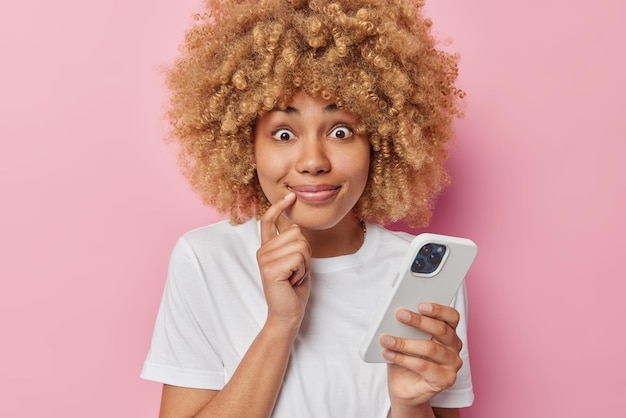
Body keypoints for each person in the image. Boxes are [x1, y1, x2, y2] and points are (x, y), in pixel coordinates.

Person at [141, 0, 473, 416]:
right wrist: (280, 326)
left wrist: (408, 404)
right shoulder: (207, 260)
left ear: (380, 143)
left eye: (340, 130)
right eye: (283, 133)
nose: (313, 160)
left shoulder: (419, 271)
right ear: (247, 145)